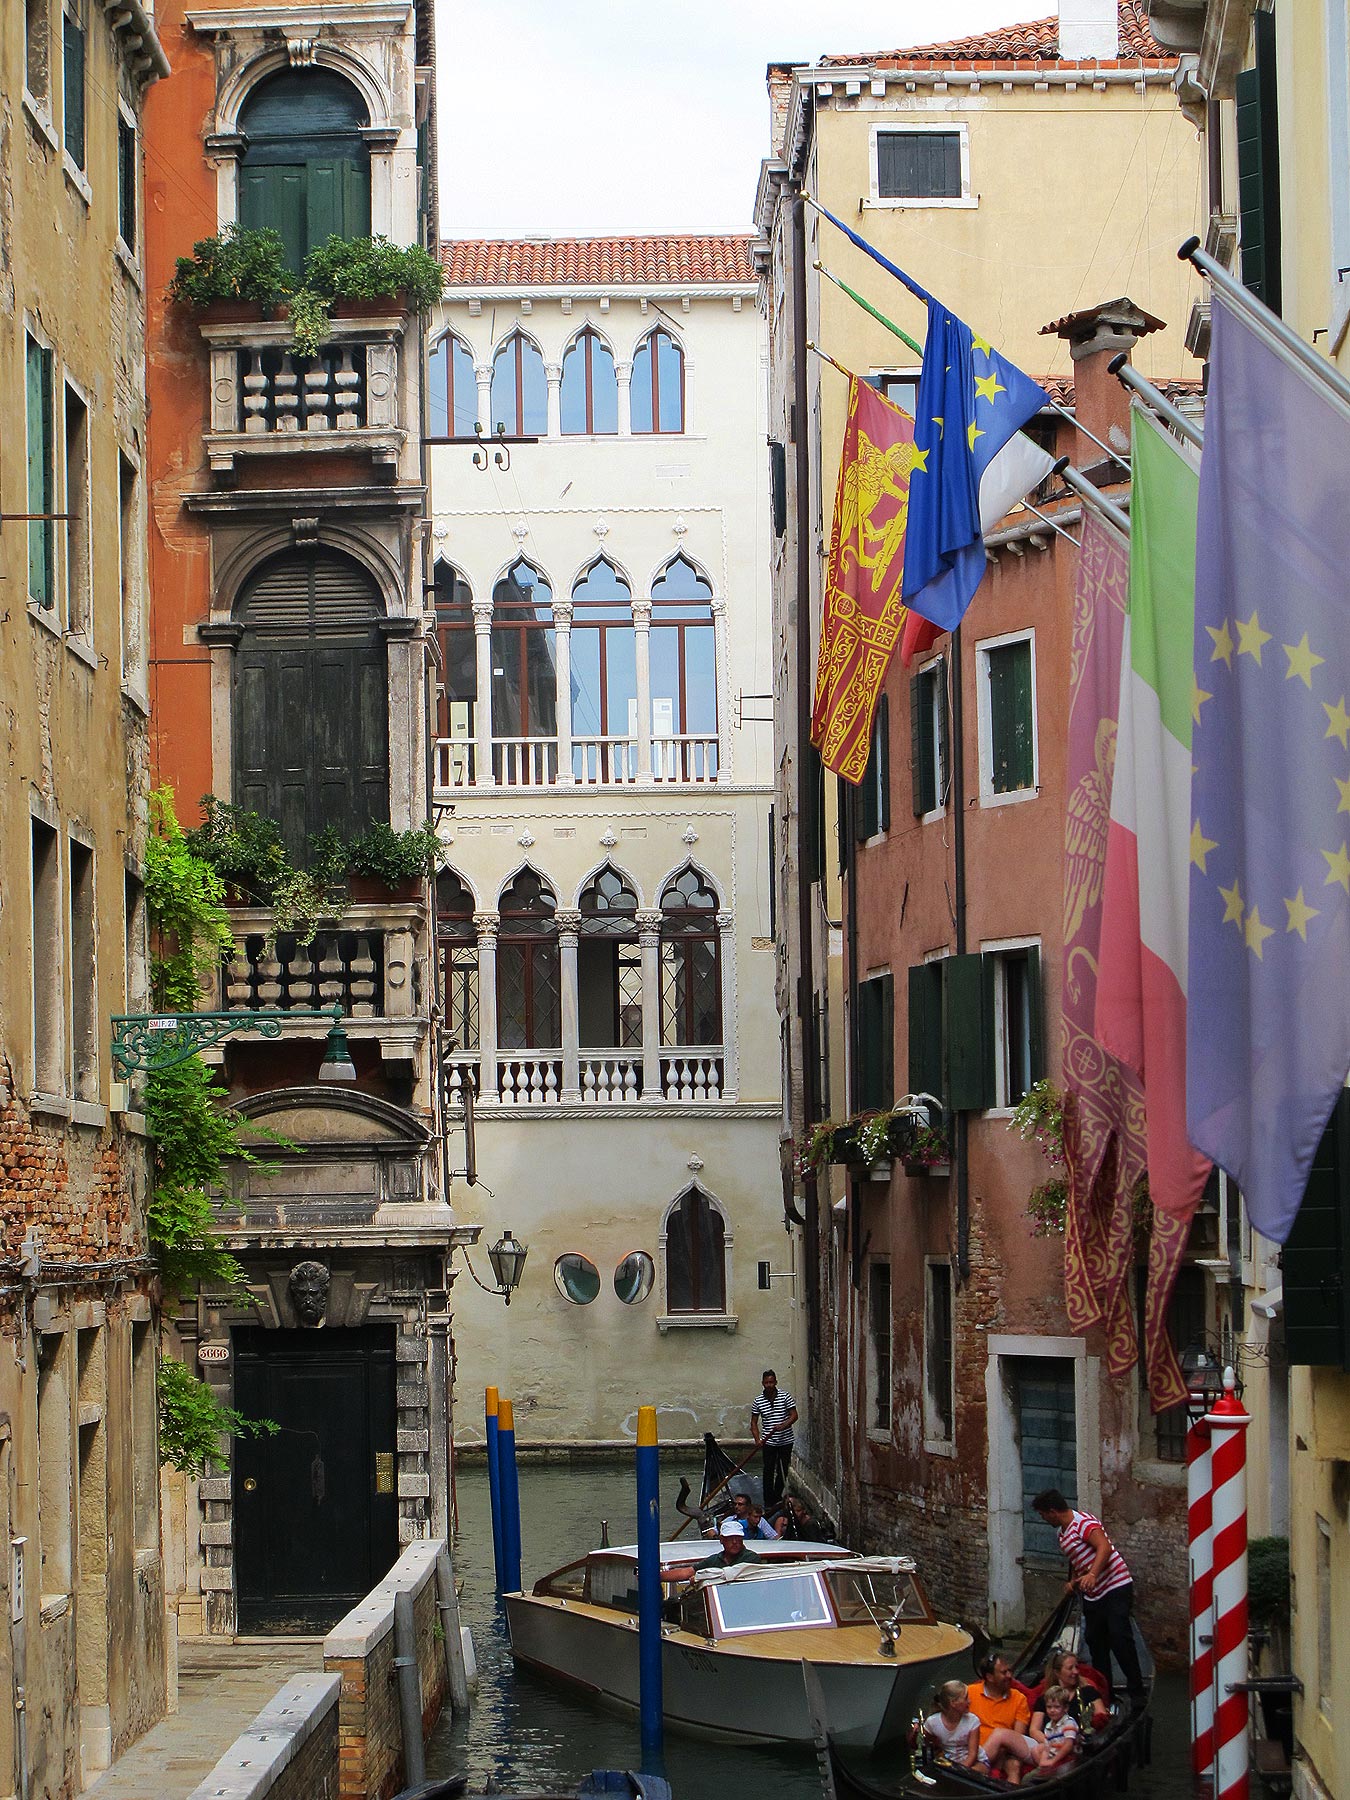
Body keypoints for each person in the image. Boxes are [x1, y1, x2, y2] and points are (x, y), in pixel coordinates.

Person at [1032, 1489, 1147, 1708]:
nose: (1043, 1519)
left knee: (1119, 1637)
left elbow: (1103, 1547)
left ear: (1052, 1511)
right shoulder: (1062, 1533)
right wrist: (1074, 1581)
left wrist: (1093, 1574)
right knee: (1096, 1643)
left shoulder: (1083, 1522)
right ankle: (1105, 1692)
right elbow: (1078, 1558)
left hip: (1116, 1586)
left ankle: (1137, 1690)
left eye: (1043, 1515)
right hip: (1093, 1594)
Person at [966, 1654, 1039, 1786]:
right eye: (1004, 1672)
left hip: (1004, 1751)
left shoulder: (1019, 1699)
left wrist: (1000, 1754)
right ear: (989, 1677)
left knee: (1014, 1765)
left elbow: (1018, 1737)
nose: (1009, 1676)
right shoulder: (970, 1693)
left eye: (1009, 1671)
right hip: (973, 1750)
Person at [1026, 1650, 1110, 1733]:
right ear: (1057, 1672)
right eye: (1070, 1668)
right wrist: (1048, 1741)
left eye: (1076, 1667)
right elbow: (1034, 1730)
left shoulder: (1089, 1692)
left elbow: (1102, 1716)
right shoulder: (1044, 1699)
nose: (1076, 1672)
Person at [751, 1369, 798, 1508]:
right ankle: (768, 1502)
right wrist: (757, 1440)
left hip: (786, 1441)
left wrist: (783, 1425)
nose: (769, 1385)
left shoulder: (785, 1397)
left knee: (782, 1469)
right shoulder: (758, 1401)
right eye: (766, 1382)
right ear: (762, 1384)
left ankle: (777, 1497)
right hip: (768, 1441)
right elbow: (753, 1422)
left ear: (776, 1382)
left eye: (771, 1382)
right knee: (768, 1471)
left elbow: (794, 1415)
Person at [920, 1680, 980, 1771]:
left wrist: (956, 1770)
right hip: (949, 1762)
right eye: (966, 1698)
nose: (970, 1701)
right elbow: (927, 1744)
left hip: (974, 1762)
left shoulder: (972, 1721)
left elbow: (972, 1755)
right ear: (953, 1703)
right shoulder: (932, 1723)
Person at [1030, 1686, 1081, 1773]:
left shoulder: (1068, 1723)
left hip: (1068, 1760)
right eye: (1049, 1707)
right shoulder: (1048, 1726)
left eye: (1057, 1707)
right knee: (1028, 1778)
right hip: (1054, 1758)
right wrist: (1043, 1762)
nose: (1052, 1710)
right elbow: (1047, 1747)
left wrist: (1053, 1761)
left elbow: (1068, 1746)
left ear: (1065, 1708)